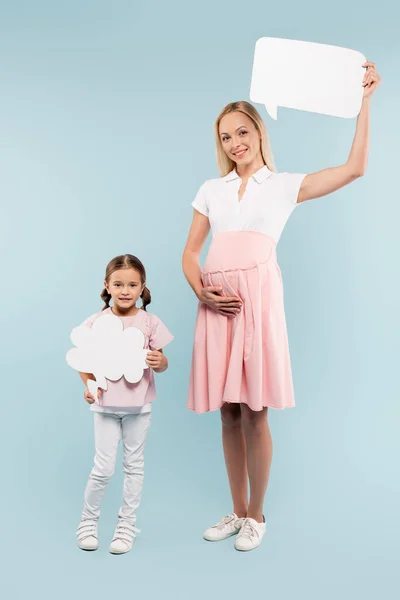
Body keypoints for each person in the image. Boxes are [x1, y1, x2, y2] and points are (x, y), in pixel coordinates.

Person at [182, 62, 380, 552]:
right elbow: (190, 253)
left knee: (255, 410)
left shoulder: (284, 184)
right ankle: (235, 508)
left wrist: (365, 103)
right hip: (216, 304)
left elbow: (355, 169)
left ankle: (256, 515)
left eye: (242, 132)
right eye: (226, 137)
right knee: (226, 412)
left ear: (258, 132)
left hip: (258, 301)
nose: (234, 144)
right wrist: (198, 289)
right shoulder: (212, 189)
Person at [75, 254, 173, 554]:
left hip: (138, 408)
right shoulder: (96, 322)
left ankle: (126, 525)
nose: (126, 290)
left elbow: (162, 363)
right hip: (105, 408)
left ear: (143, 287)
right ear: (107, 286)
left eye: (132, 284)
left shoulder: (149, 322)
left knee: (134, 467)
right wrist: (88, 387)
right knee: (102, 469)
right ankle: (88, 521)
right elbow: (83, 359)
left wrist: (161, 361)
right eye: (118, 284)